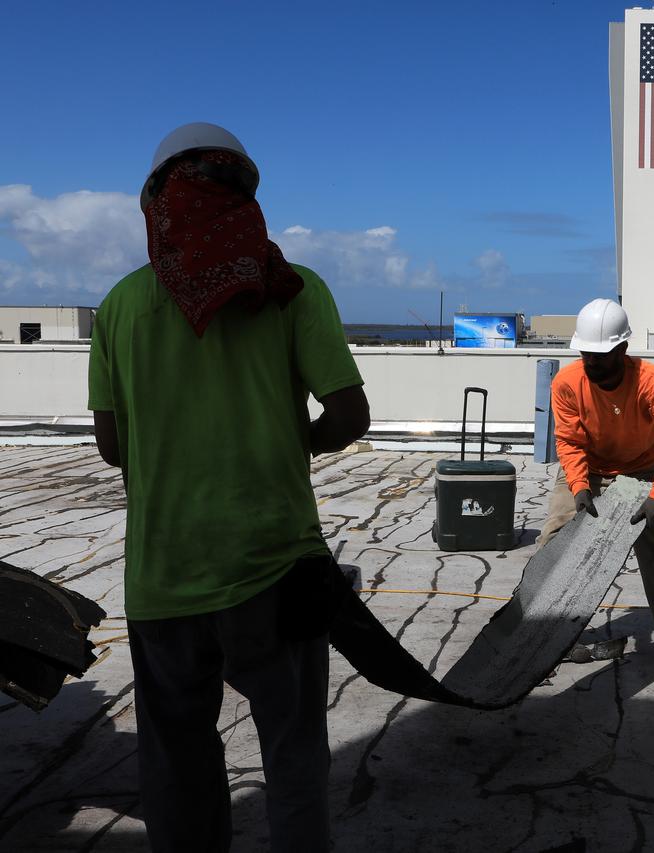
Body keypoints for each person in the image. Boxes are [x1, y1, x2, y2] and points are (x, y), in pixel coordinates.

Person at [88, 123, 369, 852]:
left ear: (156, 204)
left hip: (163, 578)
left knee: (177, 762)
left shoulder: (119, 307)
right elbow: (348, 414)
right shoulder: (290, 289)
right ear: (244, 195)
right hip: (273, 569)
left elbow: (112, 446)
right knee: (294, 752)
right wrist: (289, 440)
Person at [537, 298, 654, 677]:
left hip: (644, 470)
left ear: (623, 349)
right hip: (590, 469)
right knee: (555, 543)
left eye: (601, 356)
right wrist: (579, 486)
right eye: (586, 355)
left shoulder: (652, 382)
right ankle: (544, 634)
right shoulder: (567, 382)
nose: (592, 363)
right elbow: (569, 441)